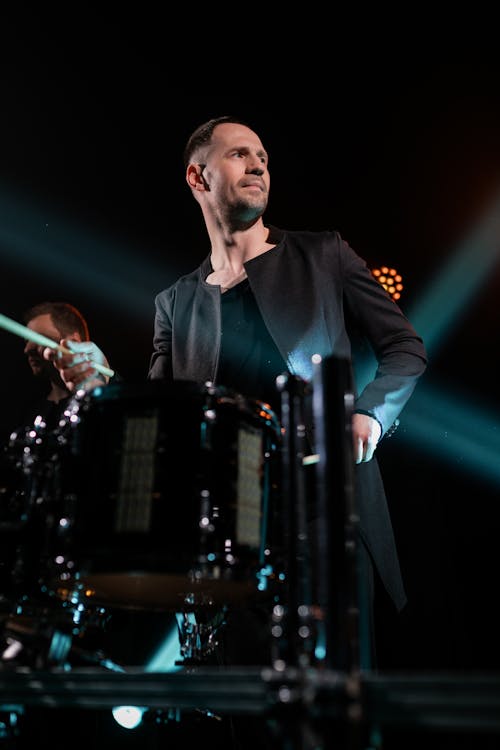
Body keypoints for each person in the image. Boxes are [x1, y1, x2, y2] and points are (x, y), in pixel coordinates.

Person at [46, 116, 427, 746]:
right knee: (247, 725)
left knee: (336, 720)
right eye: (239, 154)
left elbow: (405, 350)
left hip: (327, 521)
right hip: (234, 543)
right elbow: (164, 422)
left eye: (264, 157)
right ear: (198, 177)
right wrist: (98, 383)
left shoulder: (323, 253)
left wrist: (371, 416)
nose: (258, 165)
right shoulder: (175, 303)